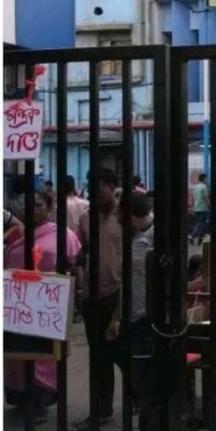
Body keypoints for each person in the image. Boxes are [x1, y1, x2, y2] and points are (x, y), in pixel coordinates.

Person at [4, 191, 82, 424]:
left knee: (44, 358)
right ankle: (21, 400)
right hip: (18, 306)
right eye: (30, 204)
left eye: (38, 205)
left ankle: (39, 405)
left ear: (49, 208)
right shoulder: (16, 233)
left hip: (48, 307)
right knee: (18, 357)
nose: (34, 209)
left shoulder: (63, 235)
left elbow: (73, 265)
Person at [74, 168, 123, 429]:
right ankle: (101, 409)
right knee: (98, 357)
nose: (95, 194)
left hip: (118, 294)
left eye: (101, 188)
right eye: (92, 188)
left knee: (123, 354)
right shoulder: (85, 218)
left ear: (113, 188)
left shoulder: (124, 218)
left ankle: (138, 400)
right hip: (92, 297)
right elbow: (83, 251)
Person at [125, 192, 154, 429]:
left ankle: (148, 412)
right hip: (136, 309)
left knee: (144, 364)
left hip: (147, 310)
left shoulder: (152, 236)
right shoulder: (138, 235)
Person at [62, 175, 89, 242]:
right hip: (84, 242)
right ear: (73, 186)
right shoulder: (86, 204)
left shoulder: (59, 206)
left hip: (67, 242)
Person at [191, 173, 210, 245]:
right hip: (203, 208)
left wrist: (192, 207)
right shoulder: (204, 187)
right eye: (206, 178)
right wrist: (209, 205)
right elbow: (205, 197)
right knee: (201, 223)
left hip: (196, 208)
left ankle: (195, 237)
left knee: (198, 223)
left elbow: (192, 198)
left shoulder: (195, 187)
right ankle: (195, 236)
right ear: (204, 179)